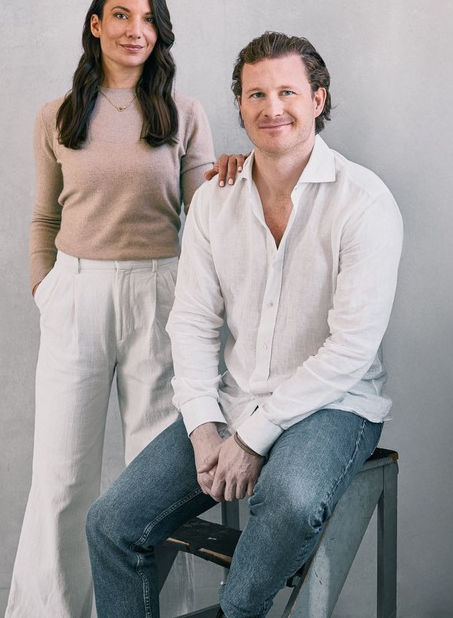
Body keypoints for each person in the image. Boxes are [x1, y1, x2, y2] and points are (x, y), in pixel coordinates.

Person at [85, 31, 404, 618]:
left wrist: (253, 439)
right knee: (111, 524)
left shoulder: (364, 202)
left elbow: (350, 350)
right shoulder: (215, 200)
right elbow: (192, 322)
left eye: (288, 92)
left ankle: (239, 611)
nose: (271, 107)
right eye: (256, 94)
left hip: (335, 404)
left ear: (318, 99)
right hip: (235, 399)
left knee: (287, 501)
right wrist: (204, 426)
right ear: (239, 105)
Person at [5, 0, 242, 618]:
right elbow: (44, 216)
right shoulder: (56, 116)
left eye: (147, 19)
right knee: (62, 477)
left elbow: (204, 213)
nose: (135, 30)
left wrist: (232, 178)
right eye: (120, 15)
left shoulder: (183, 112)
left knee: (149, 482)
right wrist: (46, 286)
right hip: (75, 293)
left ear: (159, 32)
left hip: (160, 293)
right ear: (96, 24)